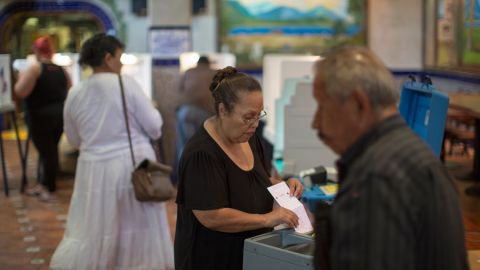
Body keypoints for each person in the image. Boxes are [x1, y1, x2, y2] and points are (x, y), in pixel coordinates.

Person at [311, 46, 468, 270]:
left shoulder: (377, 178)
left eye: (322, 107)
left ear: (359, 104)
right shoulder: (410, 154)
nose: (315, 123)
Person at [49, 33, 174, 270]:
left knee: (95, 224)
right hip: (131, 166)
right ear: (108, 58)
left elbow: (73, 138)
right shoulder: (125, 84)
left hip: (92, 169)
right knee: (135, 222)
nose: (122, 63)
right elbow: (155, 126)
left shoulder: (75, 92)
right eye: (119, 57)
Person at [174, 66, 304, 270]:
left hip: (247, 252)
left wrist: (283, 185)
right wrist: (267, 218)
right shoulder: (201, 153)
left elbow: (251, 181)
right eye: (247, 117)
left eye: (258, 116)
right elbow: (211, 216)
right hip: (212, 256)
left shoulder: (248, 137)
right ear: (223, 110)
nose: (254, 124)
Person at [14, 36, 72, 202]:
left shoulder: (35, 69)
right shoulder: (62, 70)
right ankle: (43, 184)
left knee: (48, 153)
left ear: (36, 50)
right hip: (59, 115)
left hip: (40, 116)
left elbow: (20, 91)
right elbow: (69, 89)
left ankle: (50, 189)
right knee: (50, 150)